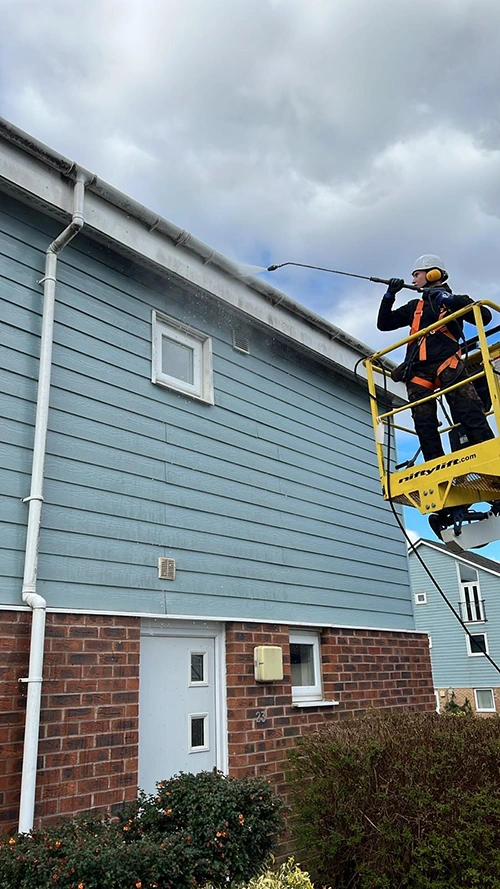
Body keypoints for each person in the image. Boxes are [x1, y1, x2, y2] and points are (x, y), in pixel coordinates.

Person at [377, 254, 494, 462]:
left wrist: (450, 300)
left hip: (448, 364)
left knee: (469, 410)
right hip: (419, 372)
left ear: (433, 274)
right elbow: (384, 324)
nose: (413, 281)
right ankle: (435, 464)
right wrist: (389, 295)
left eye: (416, 275)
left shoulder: (454, 302)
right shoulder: (415, 307)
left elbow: (484, 317)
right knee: (424, 423)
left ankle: (491, 455)